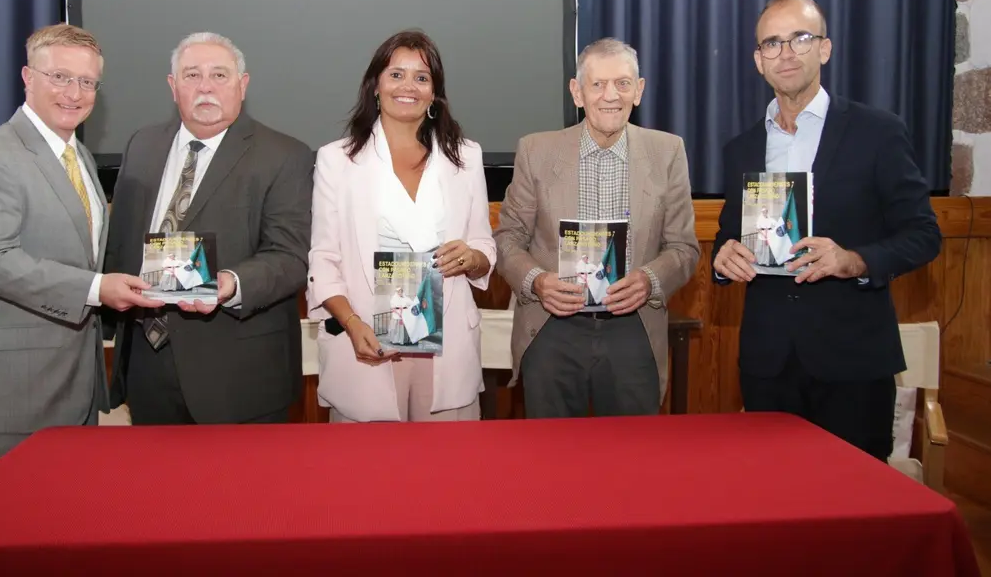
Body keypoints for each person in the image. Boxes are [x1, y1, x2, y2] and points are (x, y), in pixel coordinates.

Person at [711, 0, 941, 461]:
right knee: (772, 505)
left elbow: (923, 234)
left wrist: (853, 260)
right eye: (772, 43)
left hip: (853, 361)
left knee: (857, 512)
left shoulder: (878, 132)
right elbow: (727, 235)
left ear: (825, 48)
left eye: (800, 38)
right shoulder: (742, 148)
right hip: (768, 362)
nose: (786, 53)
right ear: (758, 61)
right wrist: (722, 257)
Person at [0, 24, 162, 490]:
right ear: (27, 76)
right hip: (9, 394)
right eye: (60, 77)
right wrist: (94, 289)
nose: (74, 93)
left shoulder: (78, 156)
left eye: (87, 82)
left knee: (60, 540)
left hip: (77, 389)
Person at [103, 32, 313, 425]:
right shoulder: (141, 145)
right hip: (148, 366)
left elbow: (291, 256)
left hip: (238, 375)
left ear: (242, 84)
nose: (205, 87)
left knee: (242, 488)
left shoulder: (285, 156)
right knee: (155, 487)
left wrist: (232, 282)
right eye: (192, 75)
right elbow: (122, 241)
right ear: (173, 86)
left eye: (219, 75)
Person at [494, 37, 699, 418]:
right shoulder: (536, 151)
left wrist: (649, 280)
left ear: (639, 91)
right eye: (598, 84)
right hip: (552, 327)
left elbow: (685, 247)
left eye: (622, 83)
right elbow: (507, 239)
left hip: (633, 330)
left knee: (631, 462)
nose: (611, 95)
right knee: (550, 461)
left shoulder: (667, 152)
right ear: (577, 92)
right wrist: (537, 281)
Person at [307, 30, 496, 422]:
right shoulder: (335, 160)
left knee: (448, 477)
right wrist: (353, 324)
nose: (408, 86)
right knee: (366, 478)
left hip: (447, 348)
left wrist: (472, 257)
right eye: (396, 75)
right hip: (367, 345)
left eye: (422, 77)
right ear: (375, 85)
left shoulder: (466, 158)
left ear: (434, 94)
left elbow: (484, 246)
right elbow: (324, 259)